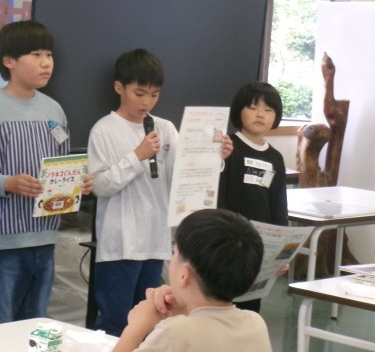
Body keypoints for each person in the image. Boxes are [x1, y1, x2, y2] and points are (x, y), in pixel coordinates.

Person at [0, 20, 93, 326]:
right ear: (9, 61)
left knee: (34, 325)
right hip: (2, 242)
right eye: (36, 54)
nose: (46, 63)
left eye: (49, 55)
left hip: (45, 237)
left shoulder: (54, 111)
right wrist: (7, 183)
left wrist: (76, 181)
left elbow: (61, 165)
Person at [87, 48, 233, 337]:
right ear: (119, 88)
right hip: (120, 243)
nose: (147, 102)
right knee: (115, 321)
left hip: (155, 240)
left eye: (154, 94)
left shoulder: (164, 128)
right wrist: (137, 156)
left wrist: (216, 157)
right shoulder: (104, 130)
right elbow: (100, 186)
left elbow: (184, 174)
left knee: (152, 321)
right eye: (139, 93)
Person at [113, 208, 271, 352]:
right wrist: (185, 307)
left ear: (184, 275)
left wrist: (137, 327)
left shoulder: (174, 332)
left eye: (174, 252)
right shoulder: (255, 323)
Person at [218, 80, 288, 312]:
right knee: (223, 304)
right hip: (228, 243)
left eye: (268, 109)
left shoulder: (275, 157)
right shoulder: (228, 147)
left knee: (250, 307)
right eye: (252, 107)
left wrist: (281, 252)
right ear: (239, 111)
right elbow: (218, 195)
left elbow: (279, 205)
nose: (260, 114)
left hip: (259, 245)